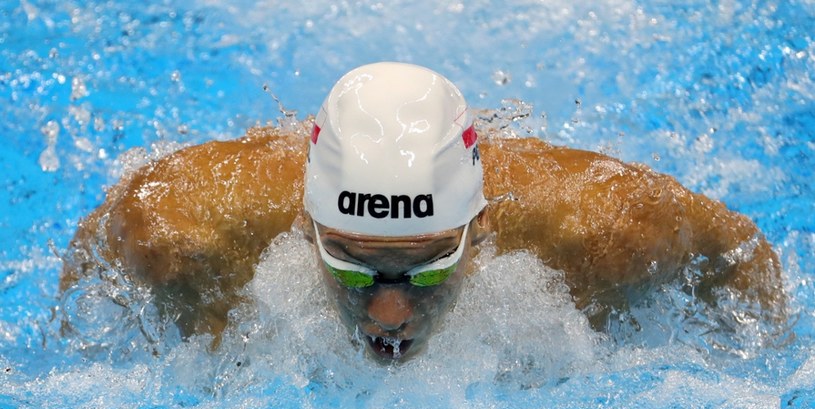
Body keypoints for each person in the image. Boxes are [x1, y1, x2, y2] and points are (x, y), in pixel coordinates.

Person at [60, 62, 786, 361]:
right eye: (350, 266)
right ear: (303, 224)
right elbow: (98, 253)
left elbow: (740, 249)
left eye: (428, 267)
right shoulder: (180, 232)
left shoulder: (605, 230)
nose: (389, 317)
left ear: (485, 225)